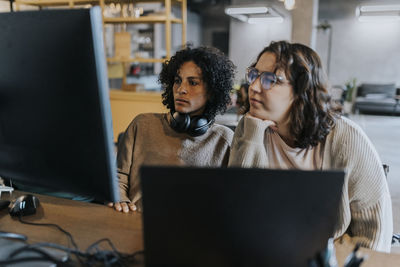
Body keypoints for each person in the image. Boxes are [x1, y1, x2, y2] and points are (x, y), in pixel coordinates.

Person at [228, 41, 393, 252]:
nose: (254, 86)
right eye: (254, 75)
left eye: (270, 80)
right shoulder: (250, 127)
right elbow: (238, 215)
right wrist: (251, 136)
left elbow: (375, 233)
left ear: (301, 90)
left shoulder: (345, 139)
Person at [109, 46, 236, 213]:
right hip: (134, 221)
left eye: (192, 82)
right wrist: (121, 199)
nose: (181, 89)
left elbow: (231, 199)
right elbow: (119, 177)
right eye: (177, 80)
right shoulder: (142, 124)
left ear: (212, 92)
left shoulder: (224, 140)